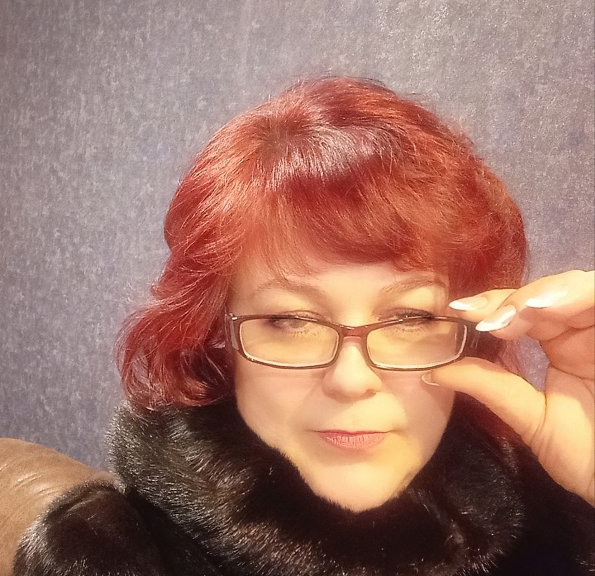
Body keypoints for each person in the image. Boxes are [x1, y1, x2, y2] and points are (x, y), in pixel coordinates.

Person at [14, 76, 594, 575]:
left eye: (411, 317)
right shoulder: (103, 552)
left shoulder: (551, 520)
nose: (351, 380)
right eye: (291, 321)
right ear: (218, 341)